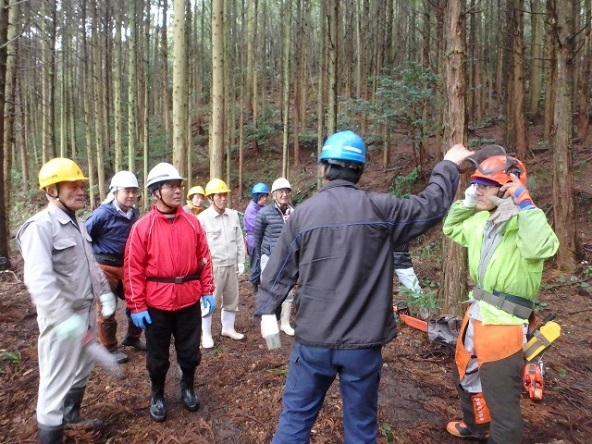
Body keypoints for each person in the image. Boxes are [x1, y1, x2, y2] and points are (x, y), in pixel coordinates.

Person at [255, 130, 472, 443]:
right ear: (360, 169)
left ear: (322, 169)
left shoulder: (302, 215)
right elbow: (430, 206)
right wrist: (448, 165)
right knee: (360, 428)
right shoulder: (381, 209)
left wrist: (266, 313)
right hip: (363, 344)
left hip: (313, 342)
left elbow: (277, 272)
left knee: (295, 420)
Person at [443, 153, 559, 443]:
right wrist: (466, 205)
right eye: (475, 184)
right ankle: (477, 427)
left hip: (505, 324)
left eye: (485, 185)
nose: (477, 190)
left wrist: (525, 201)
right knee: (465, 375)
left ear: (508, 188)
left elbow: (541, 247)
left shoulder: (525, 223)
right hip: (478, 313)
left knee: (501, 400)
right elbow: (452, 228)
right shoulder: (482, 220)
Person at [16, 158, 116, 444]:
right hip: (61, 321)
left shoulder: (78, 224)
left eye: (81, 184)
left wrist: (104, 292)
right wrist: (64, 321)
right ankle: (51, 435)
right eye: (72, 184)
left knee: (82, 370)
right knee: (54, 384)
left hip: (84, 311)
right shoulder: (39, 227)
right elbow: (39, 282)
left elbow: (91, 265)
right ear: (52, 190)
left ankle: (72, 415)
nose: (80, 189)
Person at [124, 162, 215, 422]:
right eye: (170, 187)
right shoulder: (143, 227)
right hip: (157, 304)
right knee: (157, 355)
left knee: (189, 352)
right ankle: (158, 394)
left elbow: (204, 258)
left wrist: (207, 290)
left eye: (179, 186)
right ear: (156, 192)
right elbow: (132, 269)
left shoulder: (192, 223)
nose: (177, 191)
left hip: (188, 299)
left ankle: (187, 387)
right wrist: (137, 305)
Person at [85, 171, 145, 365]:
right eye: (127, 191)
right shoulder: (102, 213)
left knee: (138, 301)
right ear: (116, 191)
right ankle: (109, 347)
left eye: (134, 191)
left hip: (127, 266)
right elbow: (85, 236)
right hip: (104, 267)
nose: (131, 195)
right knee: (107, 307)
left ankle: (133, 337)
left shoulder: (133, 213)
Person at [197, 178, 246, 348]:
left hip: (231, 264)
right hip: (213, 267)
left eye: (225, 195)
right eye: (219, 195)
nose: (223, 198)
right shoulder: (202, 218)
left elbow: (239, 239)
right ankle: (206, 335)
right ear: (210, 198)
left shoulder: (232, 215)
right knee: (210, 301)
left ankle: (228, 328)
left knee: (232, 298)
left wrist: (241, 261)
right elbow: (199, 246)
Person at [251, 177, 296, 336]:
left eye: (287, 191)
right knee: (268, 289)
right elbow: (258, 236)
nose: (284, 194)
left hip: (288, 258)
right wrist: (263, 253)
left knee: (288, 291)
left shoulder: (294, 212)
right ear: (274, 194)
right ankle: (269, 325)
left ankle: (285, 322)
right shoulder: (264, 213)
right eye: (281, 192)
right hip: (269, 257)